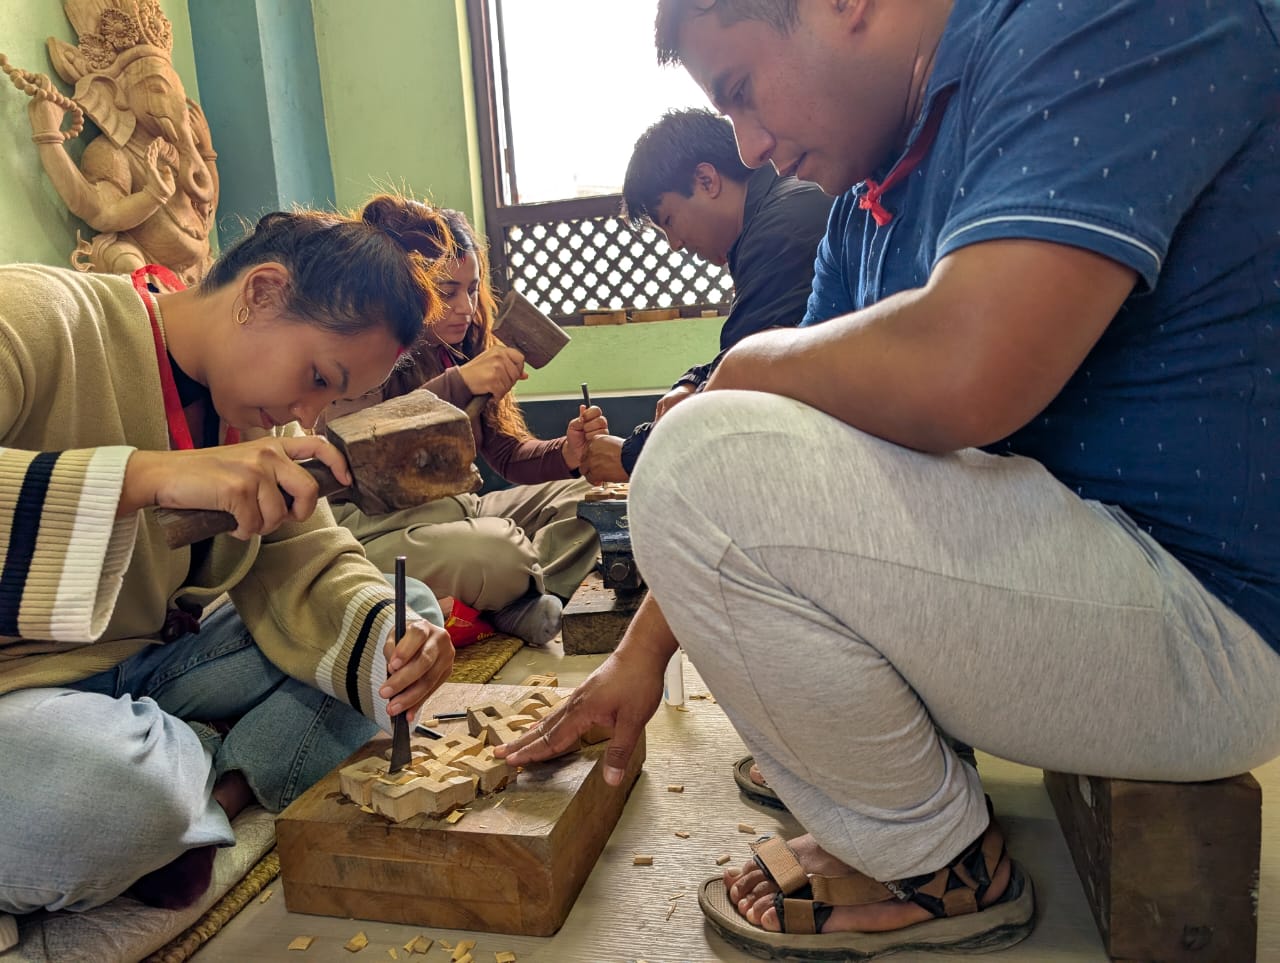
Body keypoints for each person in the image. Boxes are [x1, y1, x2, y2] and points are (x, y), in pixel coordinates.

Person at [499, 0, 1280, 958]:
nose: (749, 145)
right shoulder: (868, 204)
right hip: (1093, 574)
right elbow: (785, 440)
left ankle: (933, 863)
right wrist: (641, 656)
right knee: (712, 449)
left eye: (741, 92)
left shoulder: (1096, 19)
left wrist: (741, 375)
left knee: (697, 453)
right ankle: (905, 811)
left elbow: (969, 370)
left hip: (1217, 625)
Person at [0, 194, 457, 927]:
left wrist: (391, 640)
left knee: (399, 623)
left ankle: (209, 786)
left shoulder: (245, 415)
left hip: (144, 673)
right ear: (261, 292)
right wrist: (144, 477)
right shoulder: (34, 314)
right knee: (110, 794)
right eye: (318, 378)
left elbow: (312, 560)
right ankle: (200, 782)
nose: (306, 416)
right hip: (19, 695)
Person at [328, 206, 607, 647]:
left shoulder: (464, 345)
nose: (464, 307)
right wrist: (458, 386)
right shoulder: (363, 347)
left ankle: (513, 601)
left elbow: (507, 454)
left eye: (473, 289)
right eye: (447, 291)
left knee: (596, 501)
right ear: (406, 289)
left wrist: (566, 454)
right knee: (495, 550)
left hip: (461, 510)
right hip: (378, 527)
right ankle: (515, 595)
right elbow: (361, 445)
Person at [579, 107, 831, 484]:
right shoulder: (774, 212)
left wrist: (634, 456)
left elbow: (747, 377)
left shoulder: (782, 224)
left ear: (706, 179)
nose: (676, 244)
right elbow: (744, 353)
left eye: (668, 221)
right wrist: (693, 383)